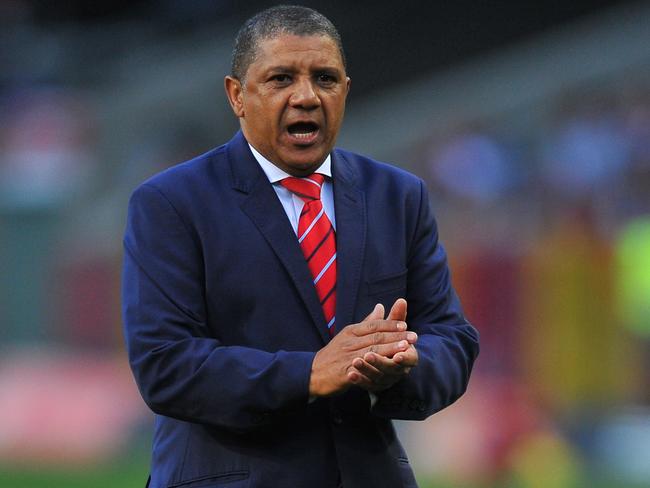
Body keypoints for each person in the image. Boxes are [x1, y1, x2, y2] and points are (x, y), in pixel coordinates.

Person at [122, 5, 479, 488]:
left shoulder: (398, 196)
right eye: (281, 78)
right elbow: (165, 364)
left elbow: (452, 339)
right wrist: (308, 372)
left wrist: (403, 367)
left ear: (346, 91)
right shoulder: (171, 202)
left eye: (325, 78)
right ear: (237, 96)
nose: (306, 96)